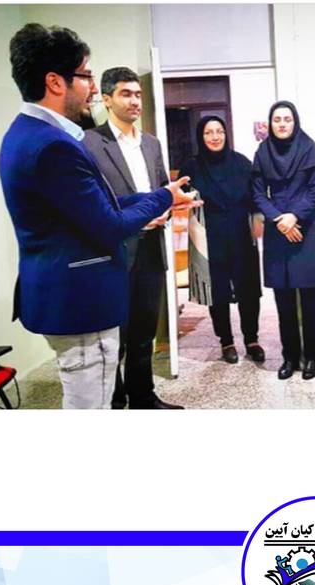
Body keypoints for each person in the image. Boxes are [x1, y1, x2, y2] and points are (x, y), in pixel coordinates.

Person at [0, 24, 198, 409]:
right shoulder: (56, 145)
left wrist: (162, 196)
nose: (90, 86)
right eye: (86, 75)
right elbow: (108, 224)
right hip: (79, 296)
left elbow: (93, 206)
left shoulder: (26, 133)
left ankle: (142, 395)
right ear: (55, 82)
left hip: (72, 285)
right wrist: (163, 198)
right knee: (91, 405)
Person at [82, 67, 180, 409]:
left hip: (152, 249)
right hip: (116, 251)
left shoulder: (151, 143)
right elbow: (94, 201)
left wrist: (167, 209)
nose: (135, 100)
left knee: (144, 332)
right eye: (126, 94)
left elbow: (161, 190)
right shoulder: (90, 143)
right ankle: (114, 399)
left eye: (138, 94)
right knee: (115, 337)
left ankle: (142, 396)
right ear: (107, 99)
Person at [252, 101, 315, 380]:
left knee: (308, 298)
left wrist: (294, 216)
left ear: (295, 122)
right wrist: (279, 219)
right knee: (283, 299)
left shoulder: (308, 148)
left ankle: (313, 357)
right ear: (270, 124)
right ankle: (290, 357)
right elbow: (257, 193)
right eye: (277, 120)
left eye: (287, 119)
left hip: (305, 227)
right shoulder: (263, 152)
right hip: (277, 230)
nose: (282, 124)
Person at [181, 116, 265, 364]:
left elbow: (256, 195)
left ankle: (252, 340)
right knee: (217, 292)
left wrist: (259, 218)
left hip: (241, 235)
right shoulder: (192, 167)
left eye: (219, 131)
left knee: (248, 290)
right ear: (201, 136)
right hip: (210, 239)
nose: (215, 137)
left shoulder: (241, 163)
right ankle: (226, 341)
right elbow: (181, 197)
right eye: (208, 132)